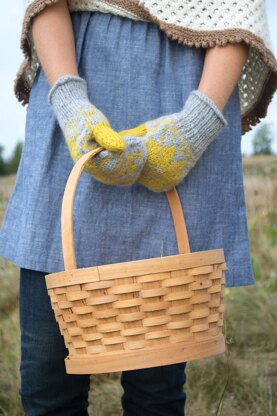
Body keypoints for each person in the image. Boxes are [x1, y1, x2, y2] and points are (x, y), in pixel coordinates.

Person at [0, 0, 276, 415]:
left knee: (157, 392)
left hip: (185, 96)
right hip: (73, 74)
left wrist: (193, 128)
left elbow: (238, 17)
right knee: (46, 382)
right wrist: (72, 103)